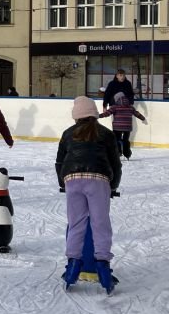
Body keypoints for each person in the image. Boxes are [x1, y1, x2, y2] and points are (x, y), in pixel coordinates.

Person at [57, 96, 122, 293]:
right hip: (98, 180)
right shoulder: (106, 134)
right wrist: (112, 186)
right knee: (100, 224)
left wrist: (63, 183)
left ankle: (72, 268)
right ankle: (102, 267)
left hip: (73, 180)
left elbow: (60, 162)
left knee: (76, 224)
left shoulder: (68, 134)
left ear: (76, 115)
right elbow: (115, 164)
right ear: (94, 113)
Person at [99, 92, 147, 160]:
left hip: (117, 127)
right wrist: (143, 118)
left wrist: (98, 116)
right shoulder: (130, 107)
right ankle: (127, 154)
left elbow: (107, 113)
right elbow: (136, 113)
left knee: (116, 139)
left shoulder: (115, 107)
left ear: (117, 99)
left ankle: (118, 152)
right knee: (126, 140)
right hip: (127, 127)